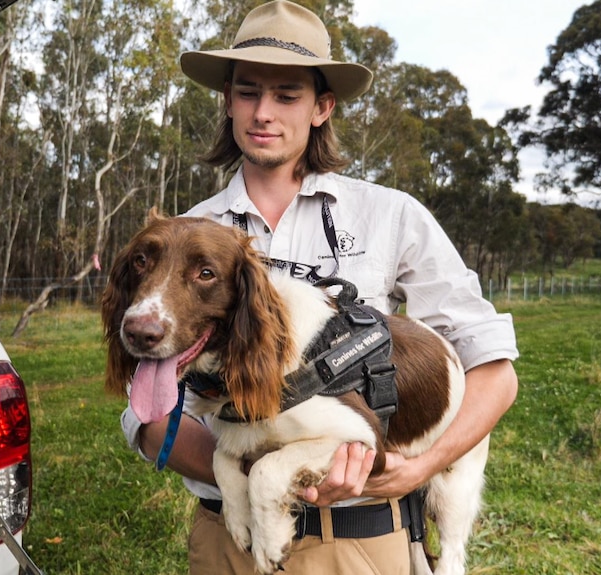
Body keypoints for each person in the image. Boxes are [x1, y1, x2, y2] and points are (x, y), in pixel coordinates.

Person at [120, 1, 519, 573]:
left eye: (287, 96)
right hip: (229, 539)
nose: (264, 113)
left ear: (321, 107)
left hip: (361, 538)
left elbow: (494, 370)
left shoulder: (390, 215)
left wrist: (422, 465)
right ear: (228, 98)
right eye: (249, 91)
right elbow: (143, 415)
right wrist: (244, 471)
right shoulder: (182, 238)